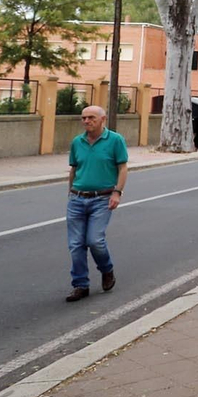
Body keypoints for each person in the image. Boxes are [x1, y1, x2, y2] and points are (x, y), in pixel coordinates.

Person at [64, 105, 128, 302]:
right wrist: (70, 192)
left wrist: (117, 192)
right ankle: (80, 284)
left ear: (102, 119)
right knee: (76, 245)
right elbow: (74, 169)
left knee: (95, 240)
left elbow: (122, 168)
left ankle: (106, 269)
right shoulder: (77, 142)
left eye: (91, 117)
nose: (86, 121)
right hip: (77, 198)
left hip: (102, 198)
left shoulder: (115, 140)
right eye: (83, 118)